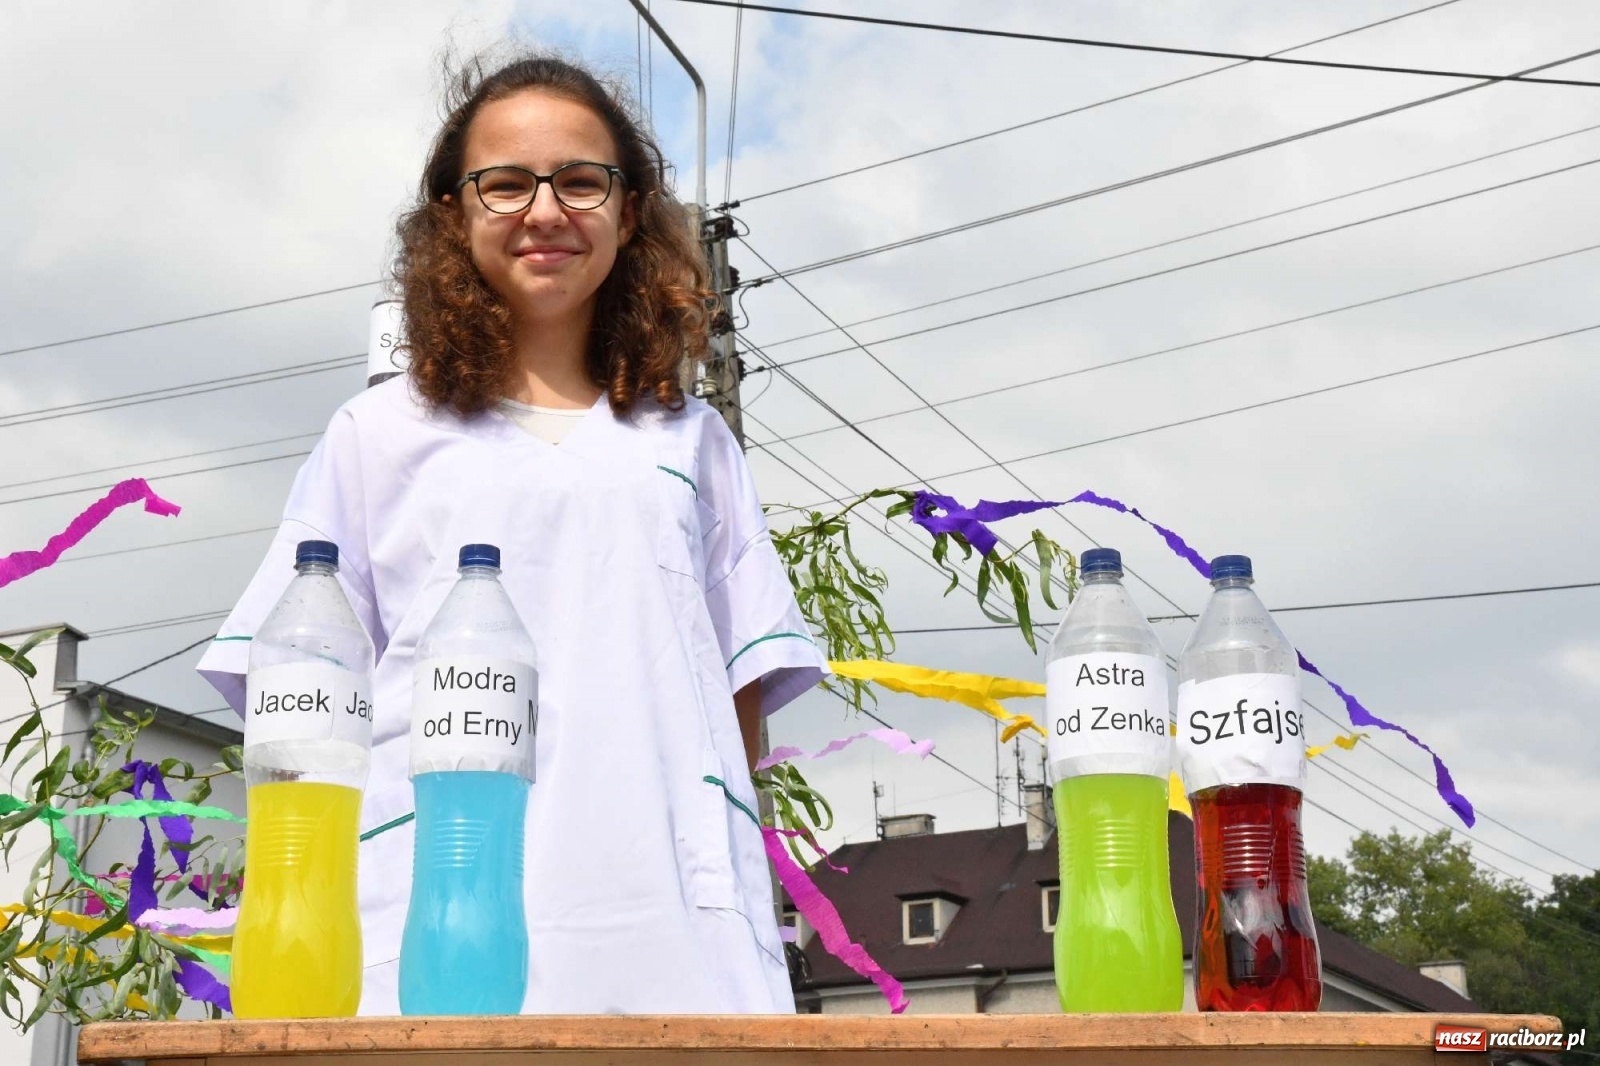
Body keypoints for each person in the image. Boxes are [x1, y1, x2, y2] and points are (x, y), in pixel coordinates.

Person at [197, 52, 826, 1015]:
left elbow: (738, 697)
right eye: (505, 183)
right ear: (454, 215)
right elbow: (300, 698)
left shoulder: (691, 441)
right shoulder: (377, 435)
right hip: (433, 921)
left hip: (666, 931)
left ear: (631, 211)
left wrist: (719, 864)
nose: (546, 211)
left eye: (582, 181)